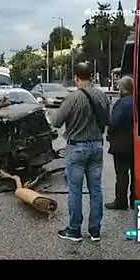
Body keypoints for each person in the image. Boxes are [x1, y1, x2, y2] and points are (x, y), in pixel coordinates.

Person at [51, 62, 110, 242]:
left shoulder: (72, 98)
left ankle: (74, 230)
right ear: (91, 77)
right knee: (96, 189)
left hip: (77, 148)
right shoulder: (102, 96)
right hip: (97, 147)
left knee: (75, 190)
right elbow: (108, 119)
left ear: (76, 77)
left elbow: (56, 122)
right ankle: (95, 230)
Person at [105, 76, 135, 210]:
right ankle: (135, 200)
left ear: (122, 88)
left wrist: (109, 134)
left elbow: (113, 123)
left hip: (121, 145)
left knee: (122, 174)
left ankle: (121, 201)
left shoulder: (121, 103)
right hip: (136, 144)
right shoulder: (137, 101)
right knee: (135, 174)